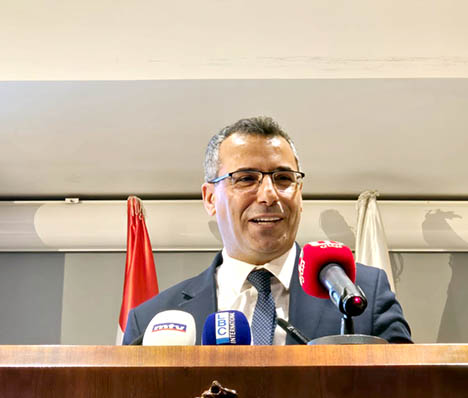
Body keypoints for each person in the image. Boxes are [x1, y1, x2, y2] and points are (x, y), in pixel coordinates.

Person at [123, 116, 412, 345]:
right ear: (210, 199)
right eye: (246, 179)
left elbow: (409, 394)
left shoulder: (363, 293)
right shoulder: (152, 320)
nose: (269, 195)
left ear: (300, 193)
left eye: (283, 178)